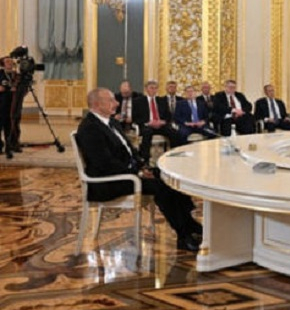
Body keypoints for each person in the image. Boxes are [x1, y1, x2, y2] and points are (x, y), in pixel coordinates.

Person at [76, 88, 202, 252]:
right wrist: (137, 173)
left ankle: (189, 225)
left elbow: (130, 150)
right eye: (111, 100)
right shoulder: (90, 128)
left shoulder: (111, 122)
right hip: (108, 181)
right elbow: (105, 163)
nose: (117, 103)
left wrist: (143, 166)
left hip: (127, 173)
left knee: (169, 177)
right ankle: (185, 234)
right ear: (97, 104)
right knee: (161, 187)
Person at [132, 80, 183, 161]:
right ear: (146, 89)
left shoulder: (162, 100)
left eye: (155, 88)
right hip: (147, 125)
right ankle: (145, 159)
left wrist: (163, 121)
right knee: (147, 133)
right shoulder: (138, 101)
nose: (154, 90)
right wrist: (148, 122)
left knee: (174, 133)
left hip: (161, 125)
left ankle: (175, 156)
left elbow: (168, 115)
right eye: (151, 88)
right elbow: (135, 117)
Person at [0, 56, 16, 157]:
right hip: (1, 105)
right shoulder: (0, 73)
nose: (10, 63)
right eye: (7, 61)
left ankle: (9, 148)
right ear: (3, 64)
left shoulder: (16, 75)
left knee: (9, 128)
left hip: (12, 106)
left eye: (11, 61)